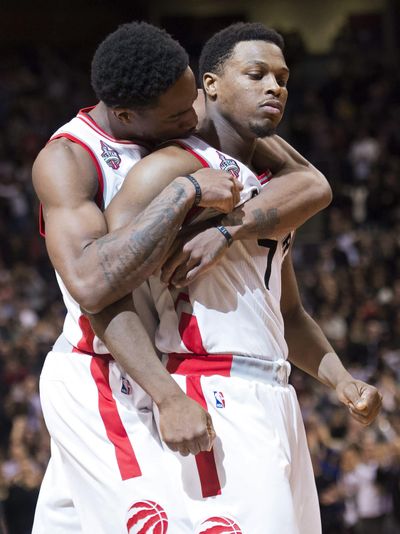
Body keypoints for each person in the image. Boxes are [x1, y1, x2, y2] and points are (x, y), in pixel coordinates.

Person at [32, 21, 332, 534]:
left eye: (194, 98)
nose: (191, 117)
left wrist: (231, 228)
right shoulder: (70, 159)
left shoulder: (179, 105)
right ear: (128, 116)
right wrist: (185, 191)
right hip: (98, 368)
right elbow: (93, 289)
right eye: (177, 114)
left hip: (152, 365)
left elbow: (309, 181)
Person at [98, 22, 383, 533]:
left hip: (278, 396)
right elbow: (104, 290)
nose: (275, 87)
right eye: (256, 74)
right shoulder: (169, 169)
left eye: (283, 77)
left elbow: (288, 312)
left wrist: (339, 379)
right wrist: (166, 395)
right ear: (209, 86)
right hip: (213, 391)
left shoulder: (269, 187)